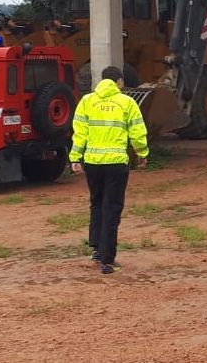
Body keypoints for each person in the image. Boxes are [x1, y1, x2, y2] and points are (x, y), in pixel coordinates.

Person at [69, 65, 149, 274]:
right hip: (116, 164)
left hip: (93, 163)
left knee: (96, 203)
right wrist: (142, 153)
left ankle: (96, 248)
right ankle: (107, 259)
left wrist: (75, 157)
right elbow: (137, 132)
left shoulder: (87, 102)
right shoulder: (127, 102)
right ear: (120, 82)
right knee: (111, 208)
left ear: (102, 81)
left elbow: (79, 133)